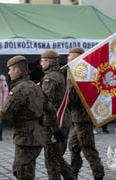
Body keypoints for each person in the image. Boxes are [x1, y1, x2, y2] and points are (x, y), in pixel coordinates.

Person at [0, 55, 64, 180]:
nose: (8, 72)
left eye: (10, 69)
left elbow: (3, 118)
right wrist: (56, 129)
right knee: (26, 170)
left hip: (24, 138)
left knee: (23, 173)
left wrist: (6, 110)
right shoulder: (36, 88)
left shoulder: (18, 91)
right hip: (38, 136)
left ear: (17, 70)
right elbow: (50, 110)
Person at [67, 47, 104, 180]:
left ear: (77, 57)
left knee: (88, 149)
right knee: (73, 146)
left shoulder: (80, 74)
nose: (68, 58)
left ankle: (98, 174)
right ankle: (74, 172)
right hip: (79, 117)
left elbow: (73, 97)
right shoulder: (79, 72)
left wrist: (64, 92)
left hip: (83, 118)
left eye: (70, 56)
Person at [40, 49, 75, 180]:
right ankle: (70, 176)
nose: (41, 63)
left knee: (51, 159)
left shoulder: (50, 78)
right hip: (62, 118)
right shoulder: (58, 75)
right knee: (56, 156)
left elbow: (45, 102)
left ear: (48, 62)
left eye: (42, 61)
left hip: (54, 121)